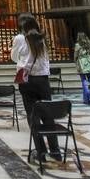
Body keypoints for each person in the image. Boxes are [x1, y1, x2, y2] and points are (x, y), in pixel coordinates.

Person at [11, 13, 62, 163]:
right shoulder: (42, 38)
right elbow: (46, 61)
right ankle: (55, 151)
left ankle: (40, 152)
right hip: (43, 81)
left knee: (33, 116)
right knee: (48, 115)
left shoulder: (20, 38)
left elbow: (14, 57)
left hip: (27, 81)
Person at [75, 32, 90, 104]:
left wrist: (75, 61)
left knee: (84, 81)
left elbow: (76, 55)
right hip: (89, 61)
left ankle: (87, 99)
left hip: (82, 62)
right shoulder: (88, 44)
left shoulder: (77, 45)